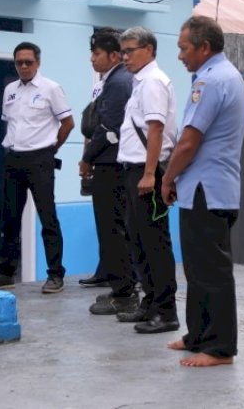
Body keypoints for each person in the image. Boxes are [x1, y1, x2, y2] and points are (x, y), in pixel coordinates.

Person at [161, 15, 244, 366]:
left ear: (204, 47)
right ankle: (197, 334)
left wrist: (167, 179)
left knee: (211, 271)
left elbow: (188, 142)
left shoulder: (211, 82)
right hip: (207, 188)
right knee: (197, 269)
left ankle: (220, 347)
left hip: (206, 190)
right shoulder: (222, 76)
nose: (180, 55)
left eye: (184, 48)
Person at [0, 42, 75, 294]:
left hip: (40, 160)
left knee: (48, 218)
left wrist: (51, 148)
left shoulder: (51, 88)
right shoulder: (10, 90)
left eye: (28, 62)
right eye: (19, 62)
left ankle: (55, 275)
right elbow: (10, 124)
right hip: (13, 159)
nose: (23, 66)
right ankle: (5, 272)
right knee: (10, 218)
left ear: (38, 63)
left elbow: (68, 123)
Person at [115, 26, 179, 333]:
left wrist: (151, 173)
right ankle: (150, 302)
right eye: (123, 51)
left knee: (154, 242)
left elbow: (155, 130)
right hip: (135, 171)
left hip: (146, 172)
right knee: (138, 240)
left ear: (149, 50)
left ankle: (166, 311)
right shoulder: (140, 82)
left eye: (130, 50)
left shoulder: (153, 81)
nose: (125, 56)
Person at [78, 28, 138, 314]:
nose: (92, 59)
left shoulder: (118, 83)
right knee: (115, 228)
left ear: (114, 55)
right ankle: (121, 285)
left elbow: (108, 128)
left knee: (112, 229)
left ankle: (123, 293)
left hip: (110, 164)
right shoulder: (115, 80)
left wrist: (87, 157)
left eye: (97, 53)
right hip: (113, 163)